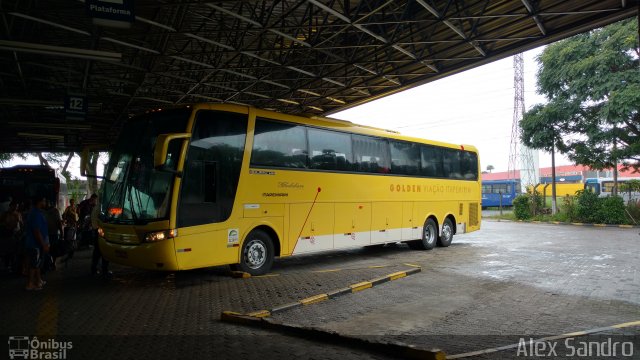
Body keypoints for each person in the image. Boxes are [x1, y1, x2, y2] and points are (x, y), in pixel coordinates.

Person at [25, 195, 49, 290]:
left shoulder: (36, 212)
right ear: (39, 202)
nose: (45, 203)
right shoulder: (36, 214)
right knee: (34, 264)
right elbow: (36, 231)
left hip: (36, 244)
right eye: (43, 201)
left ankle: (38, 280)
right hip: (35, 244)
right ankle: (30, 284)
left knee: (37, 263)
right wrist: (43, 244)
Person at [90, 196, 110, 279]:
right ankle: (104, 270)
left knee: (97, 252)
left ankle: (95, 269)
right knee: (104, 251)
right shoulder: (100, 208)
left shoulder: (96, 207)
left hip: (97, 231)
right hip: (100, 232)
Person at [44, 199, 63, 270]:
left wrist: (61, 232)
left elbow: (59, 222)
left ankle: (53, 263)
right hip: (47, 234)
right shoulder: (43, 211)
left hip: (52, 233)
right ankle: (50, 263)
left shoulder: (55, 211)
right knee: (49, 249)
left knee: (53, 249)